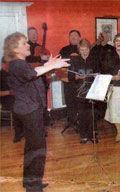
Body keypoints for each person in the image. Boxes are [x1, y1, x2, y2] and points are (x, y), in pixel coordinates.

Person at [5, 32, 69, 192]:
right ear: (15, 48)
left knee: (31, 147)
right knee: (38, 147)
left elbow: (33, 71)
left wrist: (48, 65)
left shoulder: (18, 63)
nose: (28, 45)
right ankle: (33, 187)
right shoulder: (18, 64)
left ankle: (30, 182)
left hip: (28, 109)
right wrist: (52, 66)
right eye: (24, 43)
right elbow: (31, 74)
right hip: (29, 110)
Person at [68, 39, 100, 144]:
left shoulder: (94, 59)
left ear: (89, 49)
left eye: (86, 49)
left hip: (92, 89)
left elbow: (100, 72)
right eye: (82, 50)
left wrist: (97, 75)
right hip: (79, 89)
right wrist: (75, 76)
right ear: (79, 50)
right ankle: (84, 136)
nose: (84, 52)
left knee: (92, 113)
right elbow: (70, 76)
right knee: (82, 114)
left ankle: (93, 135)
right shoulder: (75, 60)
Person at [59, 30, 81, 131]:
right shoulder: (63, 50)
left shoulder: (82, 49)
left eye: (75, 35)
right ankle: (71, 122)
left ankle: (80, 122)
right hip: (68, 81)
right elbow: (59, 67)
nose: (73, 37)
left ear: (79, 38)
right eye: (71, 35)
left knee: (80, 103)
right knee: (69, 102)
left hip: (80, 82)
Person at [0, 57, 24, 143]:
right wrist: (9, 92)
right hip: (6, 99)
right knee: (16, 106)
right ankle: (18, 134)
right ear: (3, 64)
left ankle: (31, 131)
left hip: (16, 97)